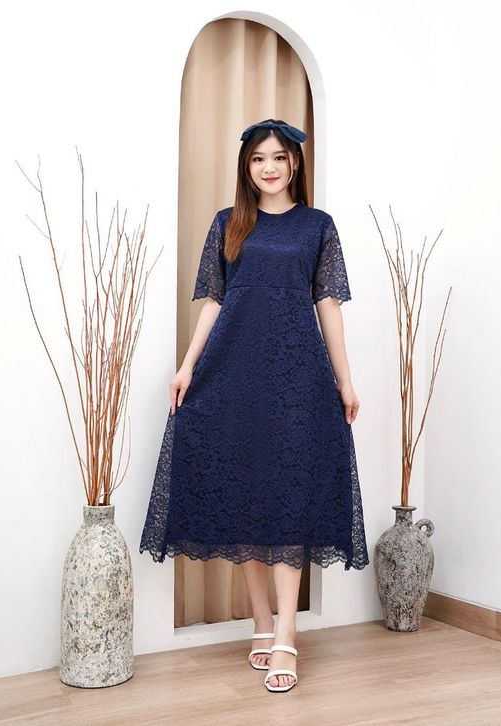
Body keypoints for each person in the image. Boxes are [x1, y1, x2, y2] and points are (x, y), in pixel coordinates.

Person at [139, 118, 369, 693]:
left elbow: (328, 306)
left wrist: (345, 381)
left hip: (298, 377)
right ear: (247, 167)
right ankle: (262, 623)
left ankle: (287, 630)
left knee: (289, 497)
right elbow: (214, 301)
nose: (269, 167)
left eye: (279, 158)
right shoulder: (228, 223)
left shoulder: (318, 226)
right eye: (258, 158)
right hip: (233, 374)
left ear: (295, 164)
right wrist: (187, 366)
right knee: (243, 495)